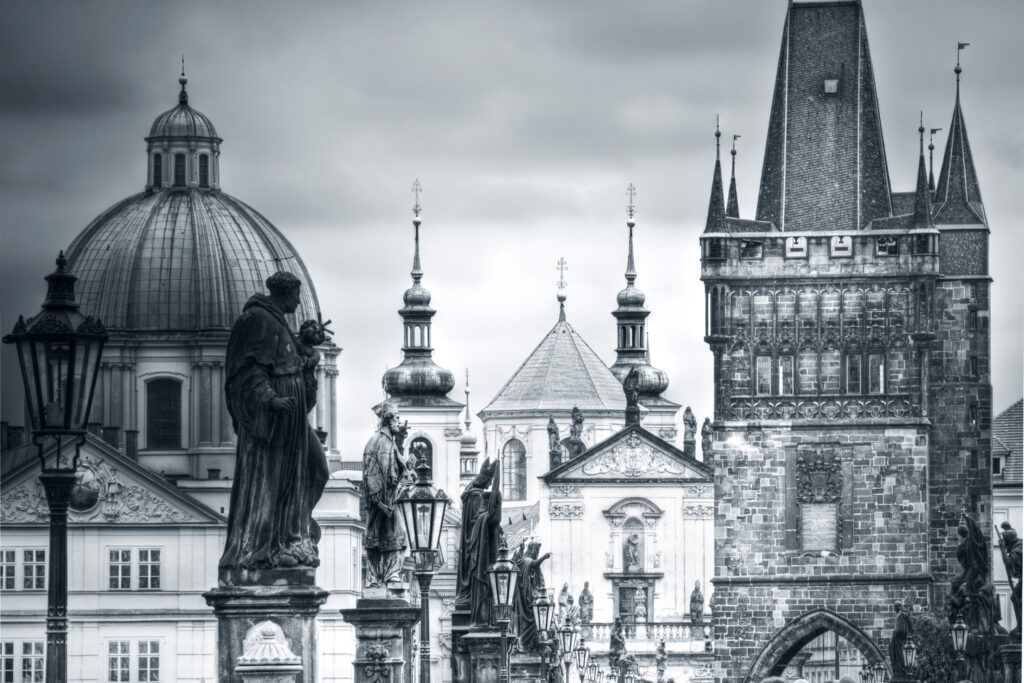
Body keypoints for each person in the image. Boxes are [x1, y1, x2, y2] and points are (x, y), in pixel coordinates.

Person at [219, 272, 329, 572]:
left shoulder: (279, 321)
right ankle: (265, 546)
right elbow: (246, 370)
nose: (298, 300)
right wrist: (269, 398)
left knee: (317, 470)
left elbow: (292, 368)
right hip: (273, 421)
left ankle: (294, 533)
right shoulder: (257, 320)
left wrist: (307, 353)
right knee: (273, 481)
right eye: (296, 294)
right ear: (286, 292)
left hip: (292, 419)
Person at [362, 401, 410, 588]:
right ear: (388, 419)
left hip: (389, 499)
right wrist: (380, 503)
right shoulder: (377, 442)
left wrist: (406, 468)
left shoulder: (389, 442)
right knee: (380, 539)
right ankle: (380, 577)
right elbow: (372, 474)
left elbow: (399, 467)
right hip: (381, 503)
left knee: (391, 536)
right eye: (397, 417)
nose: (399, 420)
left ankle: (386, 576)